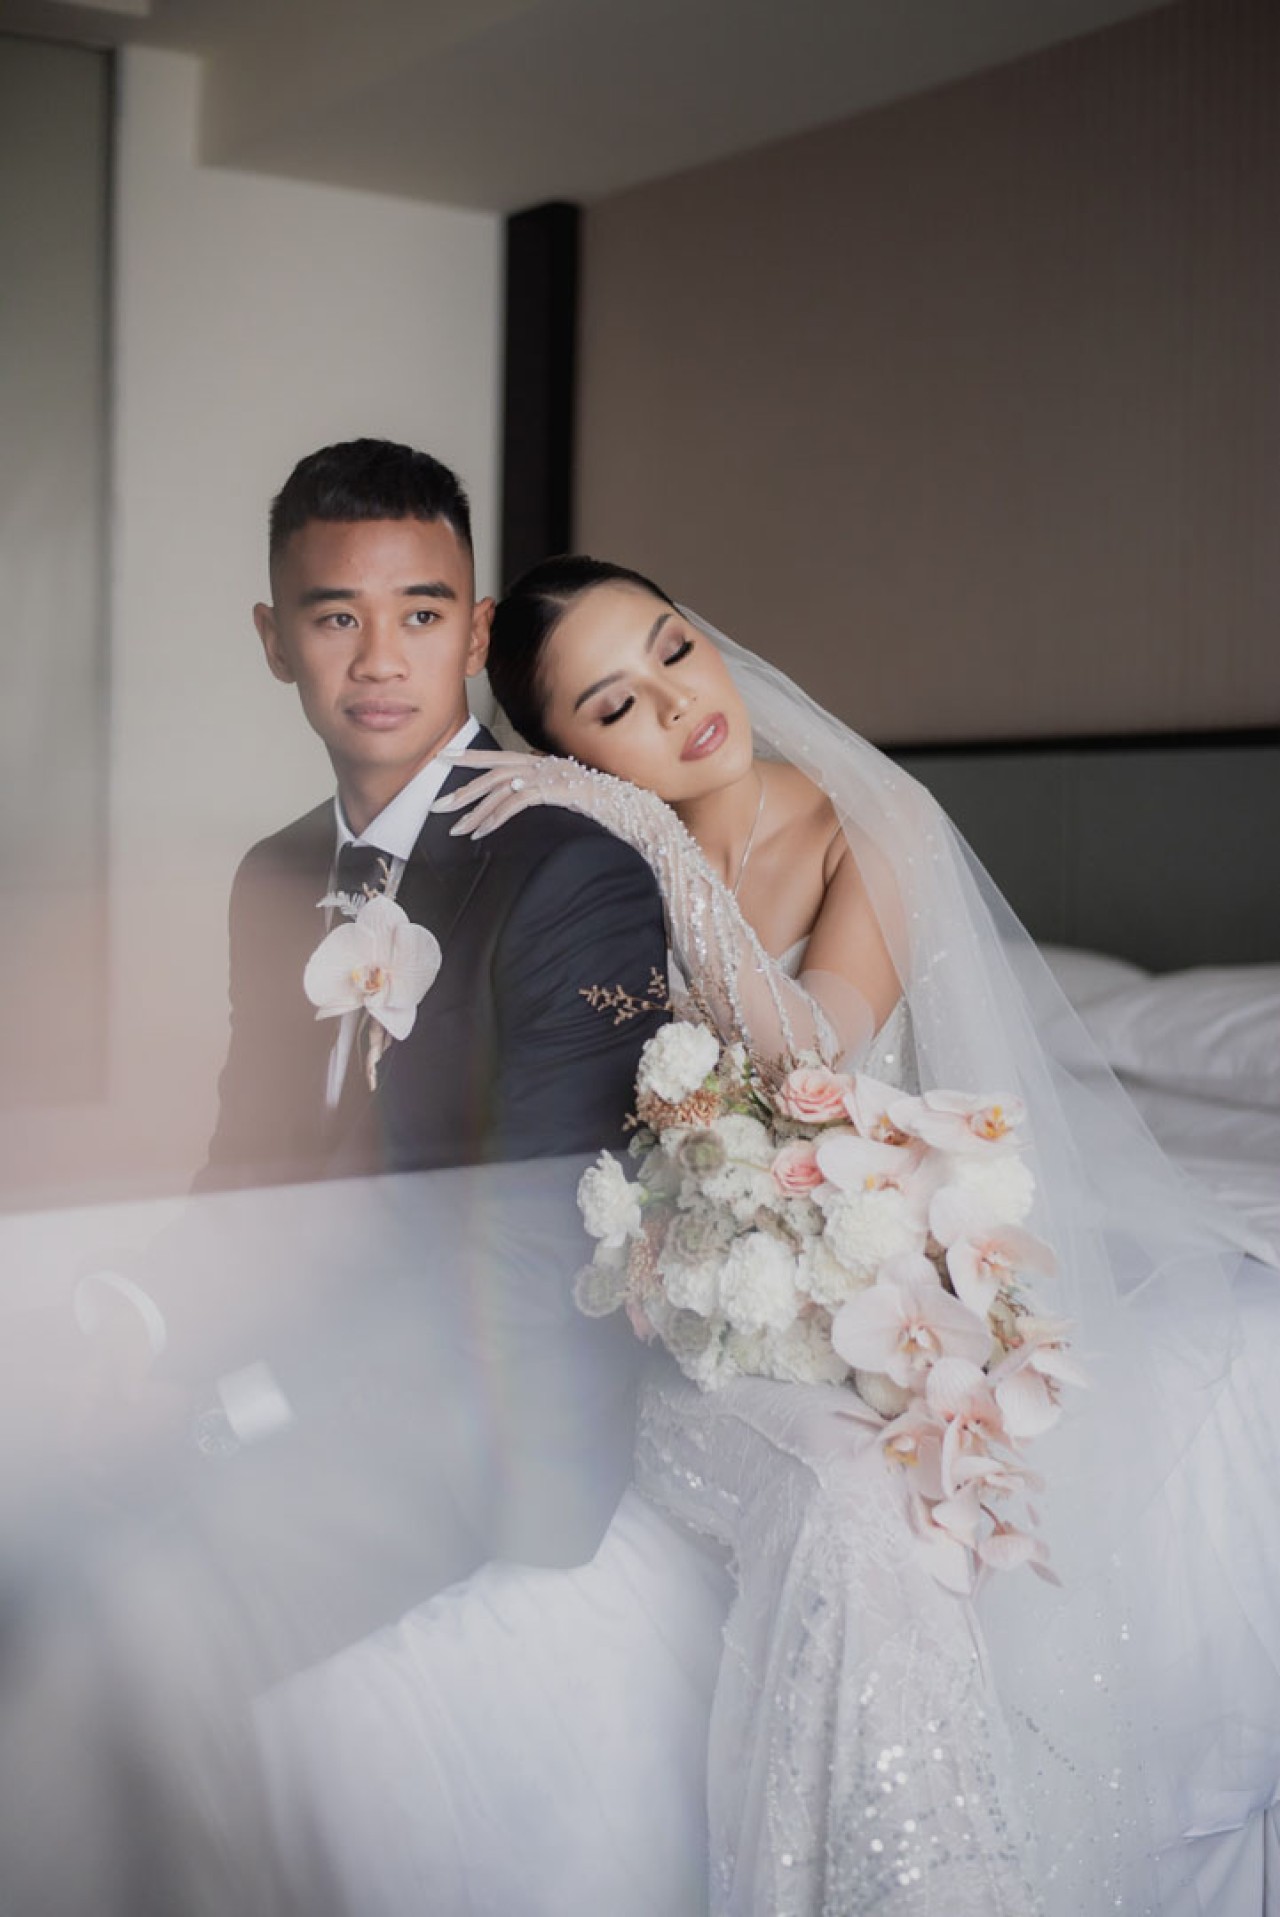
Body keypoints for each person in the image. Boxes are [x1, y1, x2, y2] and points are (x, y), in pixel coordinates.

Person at [258, 555, 1280, 1916]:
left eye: (673, 650)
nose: (679, 703)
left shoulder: (872, 827)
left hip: (859, 1282)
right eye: (615, 707)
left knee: (866, 1503)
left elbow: (808, 1058)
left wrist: (651, 829)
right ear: (570, 755)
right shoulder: (590, 878)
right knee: (842, 1498)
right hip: (689, 1299)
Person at [5, 455, 673, 1914]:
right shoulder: (275, 870)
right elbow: (251, 1175)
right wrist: (129, 1319)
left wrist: (231, 1405)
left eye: (420, 614)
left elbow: (528, 1259)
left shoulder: (569, 872)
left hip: (482, 1423)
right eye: (333, 617)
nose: (379, 659)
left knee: (132, 1623)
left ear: (475, 631)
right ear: (274, 638)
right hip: (308, 1370)